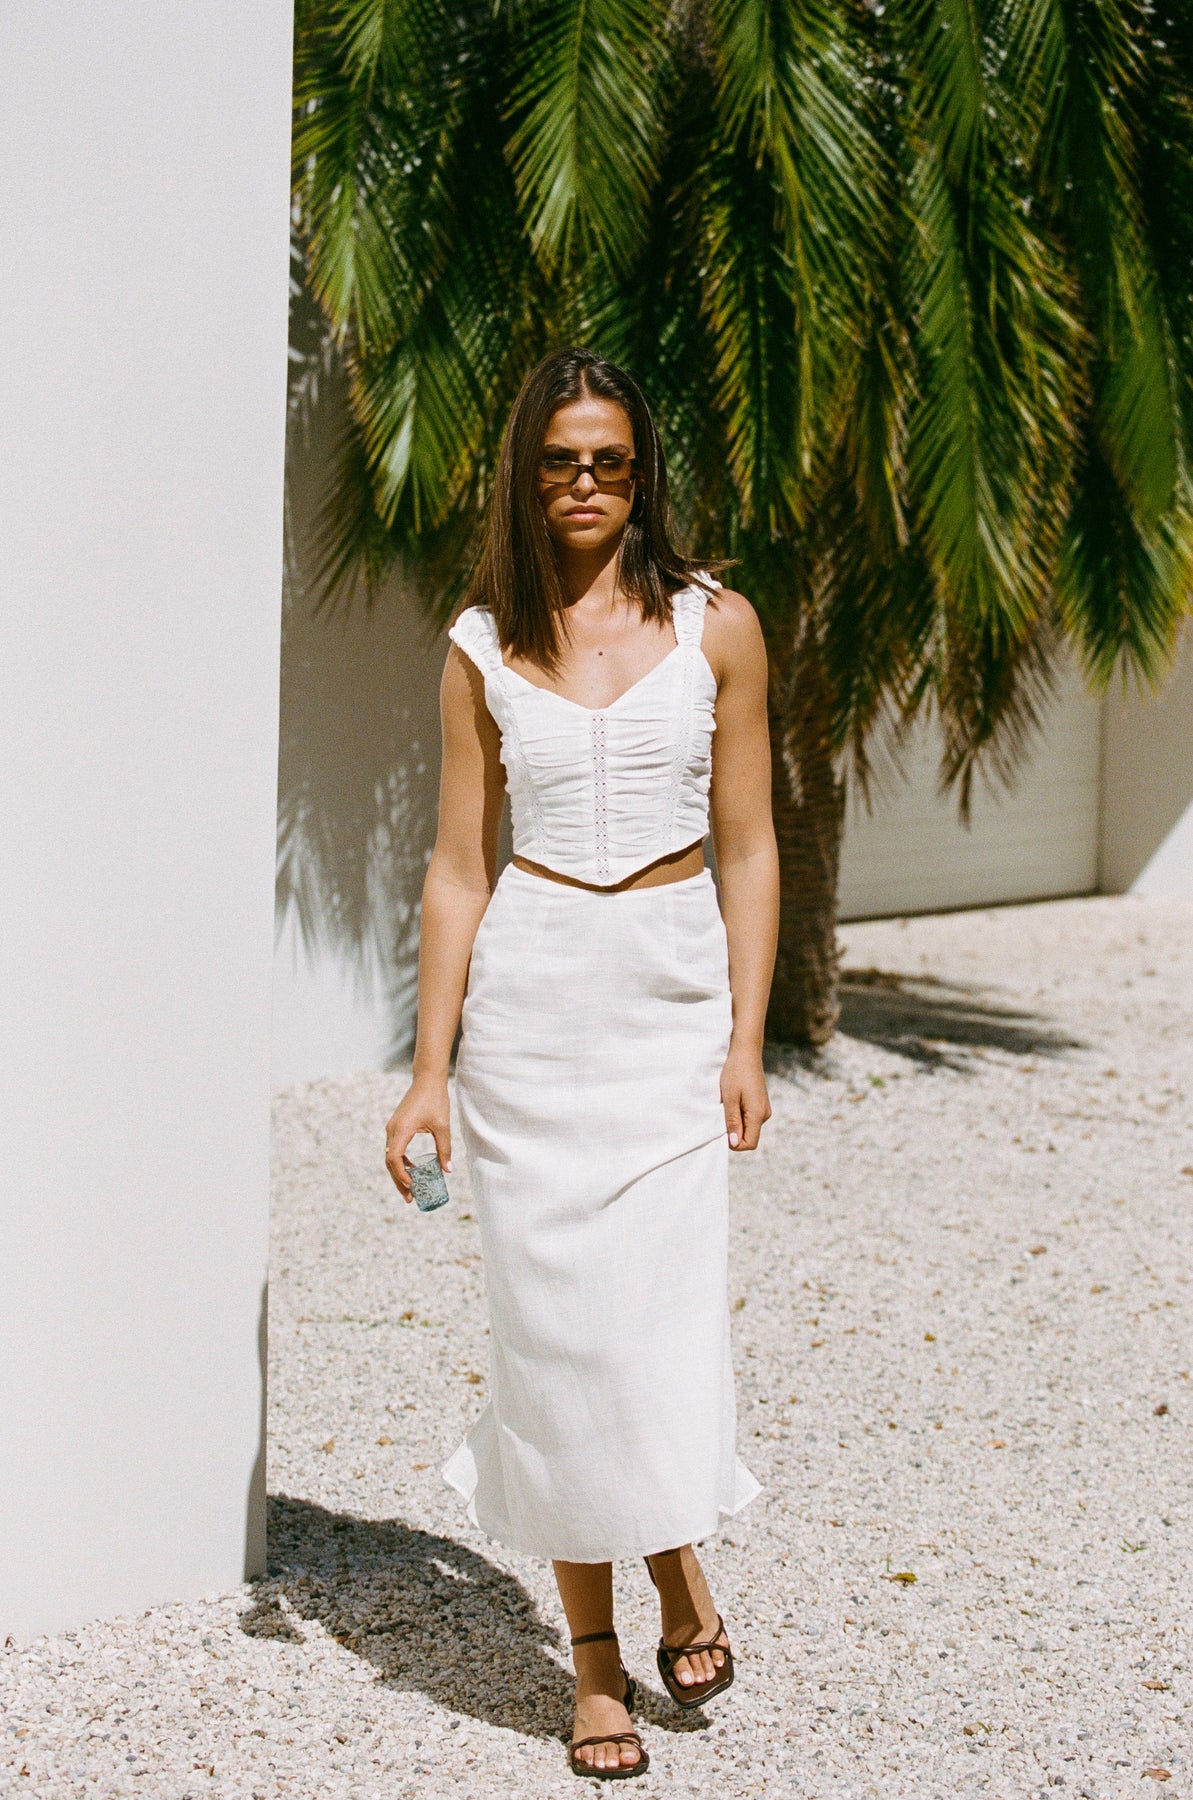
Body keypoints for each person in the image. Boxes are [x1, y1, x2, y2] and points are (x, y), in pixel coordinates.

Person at [385, 346, 779, 1780]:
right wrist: (427, 1072)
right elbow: (456, 868)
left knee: (652, 1331)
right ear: (524, 472)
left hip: (670, 1000)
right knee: (555, 1341)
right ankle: (598, 1663)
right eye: (560, 460)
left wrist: (744, 1037)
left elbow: (750, 844)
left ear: (642, 470)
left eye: (609, 459)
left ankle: (676, 1562)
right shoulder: (481, 645)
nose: (585, 483)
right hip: (534, 1006)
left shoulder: (718, 625)